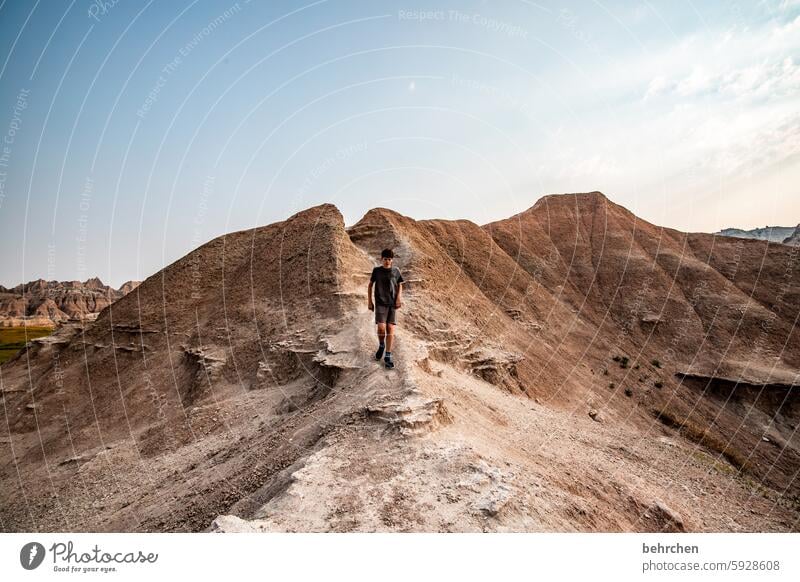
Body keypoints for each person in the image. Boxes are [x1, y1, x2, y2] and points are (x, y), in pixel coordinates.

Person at [367, 248, 404, 369]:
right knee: (382, 328)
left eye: (389, 259)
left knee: (390, 328)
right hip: (380, 303)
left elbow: (400, 284)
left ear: (392, 260)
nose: (387, 261)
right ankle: (381, 345)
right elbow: (370, 285)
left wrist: (398, 298)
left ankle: (388, 355)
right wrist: (370, 301)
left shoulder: (396, 271)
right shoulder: (377, 271)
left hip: (392, 304)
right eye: (385, 259)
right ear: (381, 259)